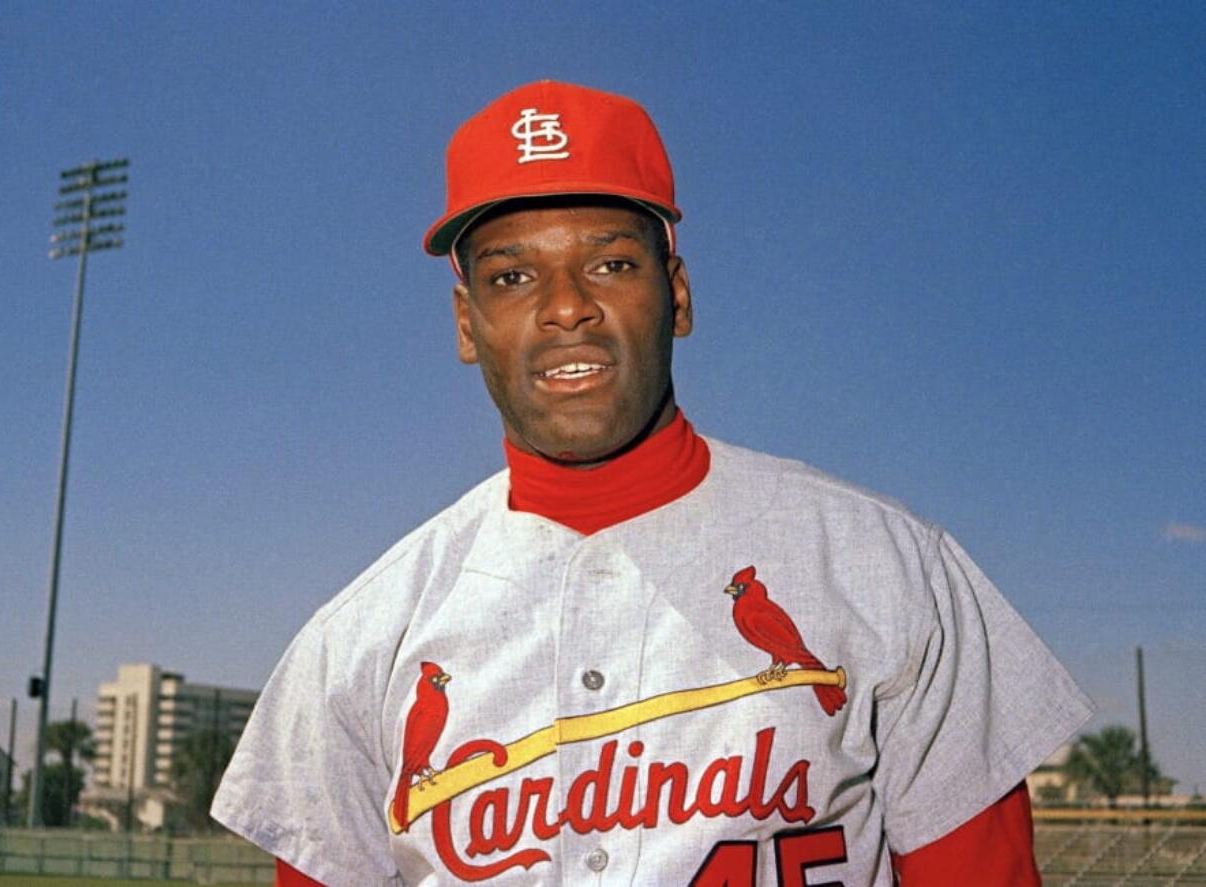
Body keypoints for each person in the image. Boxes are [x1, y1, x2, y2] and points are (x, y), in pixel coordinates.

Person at [212, 81, 1093, 886]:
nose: (566, 306)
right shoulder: (356, 644)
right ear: (467, 324)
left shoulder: (887, 566)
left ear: (676, 295)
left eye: (610, 262)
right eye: (512, 275)